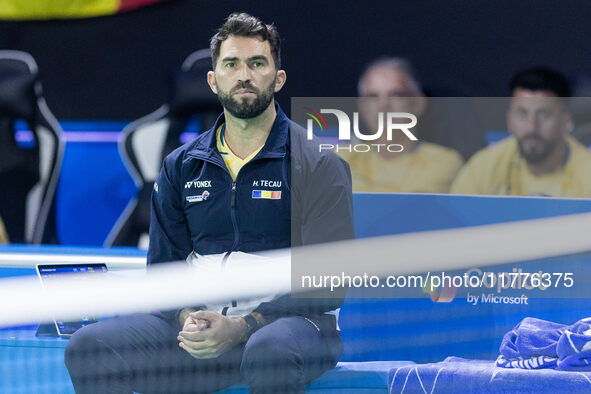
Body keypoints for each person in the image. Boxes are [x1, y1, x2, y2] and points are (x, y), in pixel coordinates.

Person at [64, 12, 354, 394]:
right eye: (231, 64)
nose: (244, 75)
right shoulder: (180, 165)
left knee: (270, 349)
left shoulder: (319, 164)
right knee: (89, 346)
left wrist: (244, 325)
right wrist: (189, 318)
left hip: (292, 327)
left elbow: (327, 283)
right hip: (205, 329)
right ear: (213, 80)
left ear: (278, 78)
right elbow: (163, 273)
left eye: (257, 63)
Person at [451, 66, 591, 197]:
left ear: (565, 120)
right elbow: (454, 217)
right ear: (509, 119)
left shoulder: (586, 170)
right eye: (522, 114)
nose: (531, 127)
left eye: (543, 114)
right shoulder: (483, 167)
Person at [341, 57, 463, 193]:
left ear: (418, 103)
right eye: (373, 96)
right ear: (362, 106)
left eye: (395, 94)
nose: (383, 105)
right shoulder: (342, 157)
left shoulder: (443, 161)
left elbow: (406, 207)